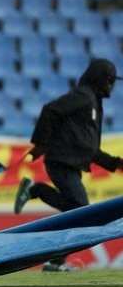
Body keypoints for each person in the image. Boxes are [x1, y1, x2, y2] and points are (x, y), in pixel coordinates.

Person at [14, 58, 123, 271]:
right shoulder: (84, 97)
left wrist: (115, 164)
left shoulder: (92, 103)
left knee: (77, 212)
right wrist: (41, 144)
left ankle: (56, 261)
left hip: (69, 164)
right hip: (60, 162)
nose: (111, 86)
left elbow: (88, 148)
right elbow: (51, 110)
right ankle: (36, 191)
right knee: (82, 213)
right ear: (100, 79)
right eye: (109, 80)